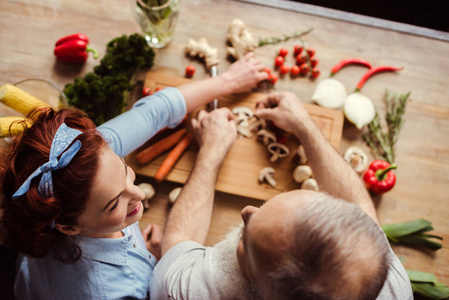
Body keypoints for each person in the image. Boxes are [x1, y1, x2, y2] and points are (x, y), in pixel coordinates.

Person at [0, 53, 268, 300]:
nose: (139, 193)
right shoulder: (121, 292)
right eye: (114, 203)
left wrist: (228, 81)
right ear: (69, 228)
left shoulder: (77, 163)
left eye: (124, 169)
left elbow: (154, 112)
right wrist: (152, 264)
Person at [149, 91, 414, 300]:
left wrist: (211, 150)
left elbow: (177, 240)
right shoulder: (391, 285)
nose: (248, 211)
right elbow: (359, 207)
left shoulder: (181, 291)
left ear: (258, 286)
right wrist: (304, 126)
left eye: (246, 238)